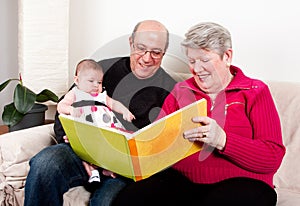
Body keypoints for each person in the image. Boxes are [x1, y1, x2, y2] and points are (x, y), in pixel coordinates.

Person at [112, 22, 286, 206]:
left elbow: (272, 157)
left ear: (227, 56)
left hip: (244, 185)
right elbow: (157, 142)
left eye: (204, 60)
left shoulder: (254, 91)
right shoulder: (181, 90)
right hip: (185, 183)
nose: (197, 69)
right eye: (192, 61)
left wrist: (223, 140)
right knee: (130, 198)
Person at [24, 19, 176, 206]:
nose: (146, 58)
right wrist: (81, 151)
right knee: (44, 164)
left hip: (123, 171)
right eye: (141, 48)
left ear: (164, 53)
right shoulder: (100, 69)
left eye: (155, 52)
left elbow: (165, 147)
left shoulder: (171, 90)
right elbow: (63, 111)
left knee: (106, 201)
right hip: (82, 153)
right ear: (130, 43)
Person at [57, 58, 135, 184]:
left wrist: (125, 111)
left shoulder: (102, 95)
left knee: (114, 147)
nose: (96, 85)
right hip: (88, 131)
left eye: (99, 82)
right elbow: (61, 106)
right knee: (86, 151)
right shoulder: (75, 93)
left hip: (106, 130)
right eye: (91, 81)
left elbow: (114, 104)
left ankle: (109, 169)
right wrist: (71, 110)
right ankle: (93, 172)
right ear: (77, 80)